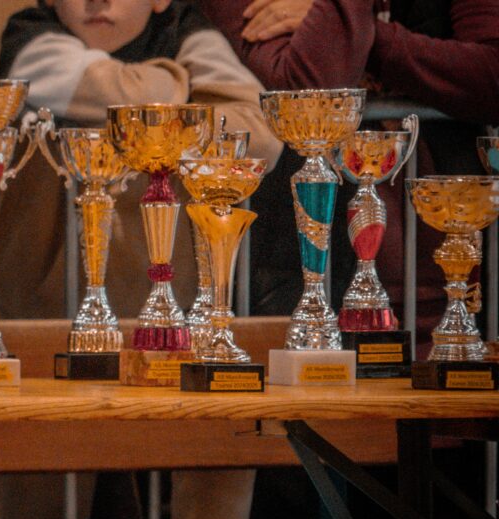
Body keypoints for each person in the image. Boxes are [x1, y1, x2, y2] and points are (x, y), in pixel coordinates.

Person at [0, 0, 282, 519]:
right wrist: (179, 87)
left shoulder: (191, 32)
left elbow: (259, 135)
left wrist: (131, 110)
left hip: (181, 305)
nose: (98, 2)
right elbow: (78, 84)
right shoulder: (31, 34)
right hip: (49, 309)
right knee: (38, 512)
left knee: (210, 453)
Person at [198, 0, 499, 351]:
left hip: (449, 245)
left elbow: (491, 76)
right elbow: (310, 90)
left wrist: (365, 34)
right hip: (297, 252)